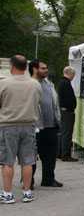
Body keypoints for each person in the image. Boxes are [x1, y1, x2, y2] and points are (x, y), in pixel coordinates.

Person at [0, 55, 41, 204]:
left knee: (7, 161)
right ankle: (27, 192)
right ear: (26, 67)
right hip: (29, 124)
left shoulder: (4, 84)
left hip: (8, 124)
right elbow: (38, 101)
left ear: (12, 66)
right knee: (27, 160)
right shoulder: (35, 84)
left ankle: (7, 193)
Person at [29, 59, 61, 188]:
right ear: (34, 69)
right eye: (43, 68)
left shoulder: (49, 84)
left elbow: (55, 104)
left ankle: (48, 179)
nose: (46, 70)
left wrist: (58, 119)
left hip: (51, 126)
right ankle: (28, 180)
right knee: (31, 156)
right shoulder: (30, 84)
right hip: (36, 126)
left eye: (46, 68)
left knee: (50, 155)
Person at [57, 66, 78, 162]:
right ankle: (66, 155)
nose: (74, 76)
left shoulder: (62, 83)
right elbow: (68, 98)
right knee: (67, 133)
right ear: (71, 73)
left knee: (64, 133)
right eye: (73, 74)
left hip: (65, 111)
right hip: (67, 111)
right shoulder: (66, 84)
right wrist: (71, 108)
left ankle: (60, 153)